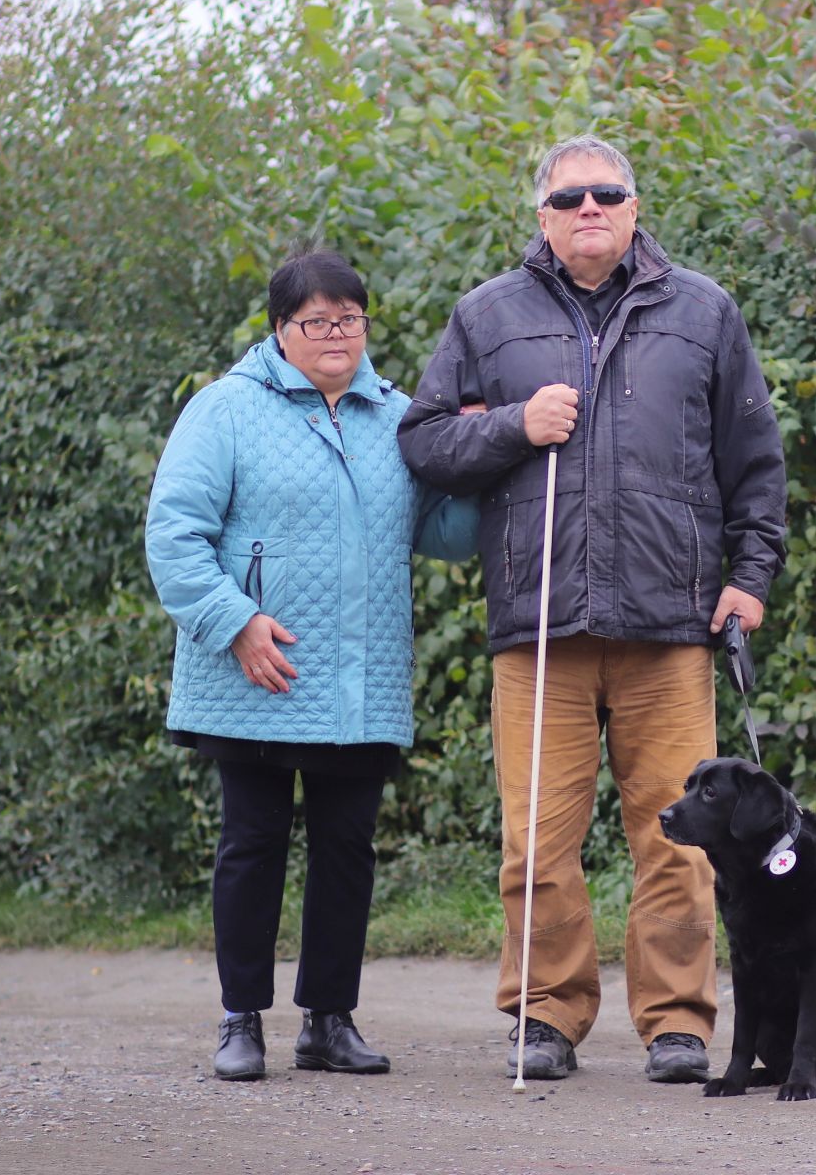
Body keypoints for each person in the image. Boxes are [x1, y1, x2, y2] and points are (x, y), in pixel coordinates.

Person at [397, 134, 787, 1083]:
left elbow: (755, 457)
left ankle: (679, 1023)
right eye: (569, 199)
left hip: (671, 625)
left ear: (634, 207)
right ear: (542, 216)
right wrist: (510, 427)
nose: (589, 211)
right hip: (540, 629)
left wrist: (752, 574)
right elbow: (422, 440)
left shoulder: (704, 313)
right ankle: (546, 1016)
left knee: (683, 843)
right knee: (537, 842)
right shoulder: (487, 316)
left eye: (607, 194)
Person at [145, 246, 478, 1081]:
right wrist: (237, 623)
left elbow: (446, 536)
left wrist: (481, 455)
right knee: (251, 844)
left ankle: (329, 1021)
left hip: (358, 681)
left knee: (347, 849)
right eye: (317, 320)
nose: (337, 334)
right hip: (255, 671)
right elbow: (174, 536)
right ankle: (239, 1019)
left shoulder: (399, 415)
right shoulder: (224, 409)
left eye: (351, 318)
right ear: (280, 330)